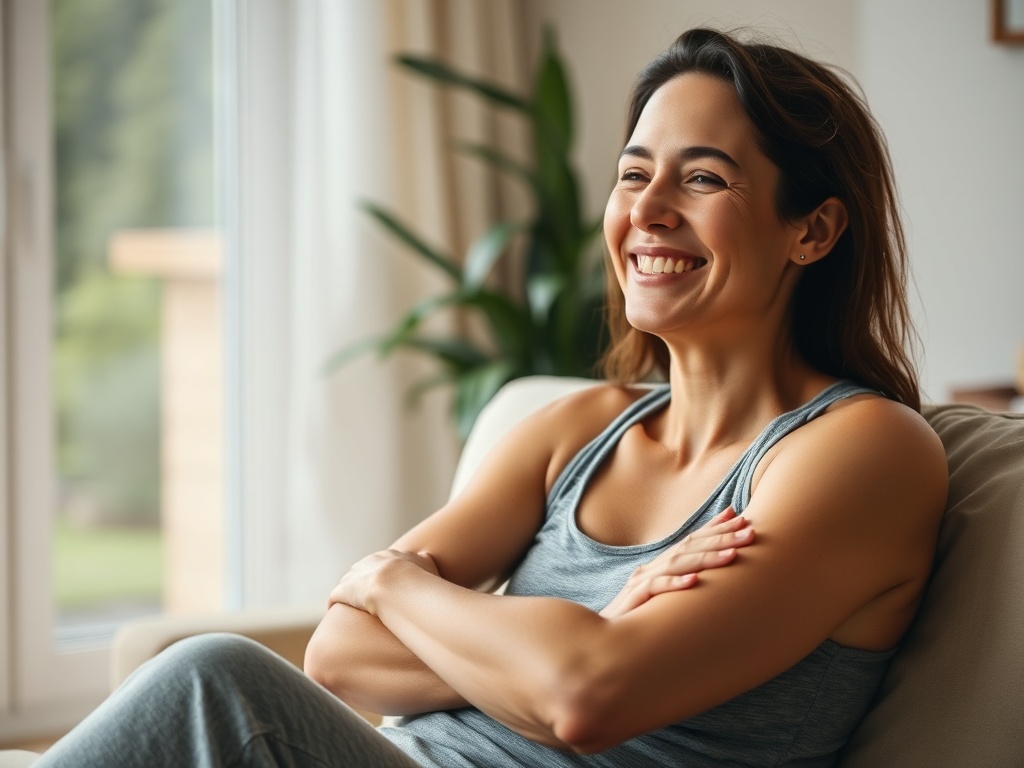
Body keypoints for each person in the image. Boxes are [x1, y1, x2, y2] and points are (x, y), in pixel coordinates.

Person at [34, 26, 946, 768]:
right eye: (634, 173)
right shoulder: (575, 427)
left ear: (814, 230)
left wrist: (397, 582)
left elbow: (588, 699)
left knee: (213, 680)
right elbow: (341, 655)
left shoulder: (860, 450)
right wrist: (592, 627)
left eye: (703, 178)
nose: (649, 209)